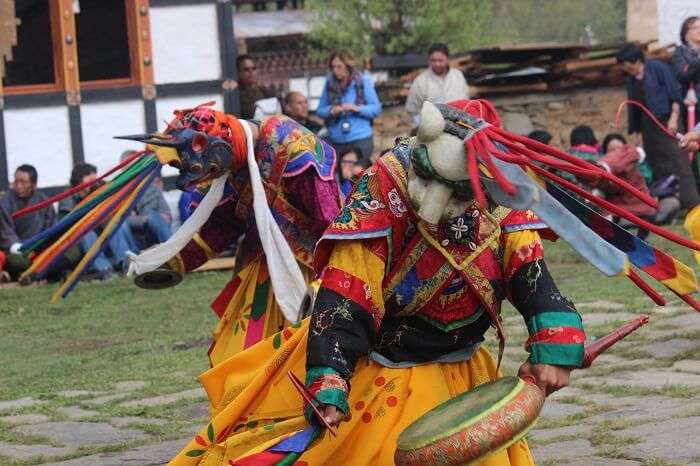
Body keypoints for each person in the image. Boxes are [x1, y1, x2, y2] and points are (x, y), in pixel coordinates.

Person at [129, 106, 342, 368]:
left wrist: (331, 280)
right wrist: (170, 260)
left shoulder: (294, 148)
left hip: (314, 267)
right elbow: (221, 226)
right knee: (240, 358)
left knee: (311, 356)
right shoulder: (232, 167)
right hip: (261, 269)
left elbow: (331, 221)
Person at [617, 42, 700, 209]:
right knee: (658, 164)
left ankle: (691, 204)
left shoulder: (658, 68)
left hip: (667, 121)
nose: (628, 68)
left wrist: (674, 118)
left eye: (629, 63)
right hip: (648, 128)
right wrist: (637, 135)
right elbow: (634, 109)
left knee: (678, 161)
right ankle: (670, 204)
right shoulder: (631, 81)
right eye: (625, 65)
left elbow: (674, 94)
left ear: (637, 59)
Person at [58, 163, 136, 278]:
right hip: (75, 238)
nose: (95, 182)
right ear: (79, 181)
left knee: (114, 224)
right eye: (91, 179)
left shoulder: (98, 192)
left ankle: (125, 263)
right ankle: (104, 269)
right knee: (87, 233)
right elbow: (70, 225)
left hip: (98, 230)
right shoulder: (67, 199)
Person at [316, 49, 382, 164]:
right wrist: (332, 110)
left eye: (339, 66)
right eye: (333, 67)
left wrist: (357, 109)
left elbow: (376, 108)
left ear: (348, 66)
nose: (335, 70)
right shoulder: (329, 83)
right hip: (336, 141)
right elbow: (320, 110)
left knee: (359, 177)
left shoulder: (363, 81)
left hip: (360, 139)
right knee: (340, 178)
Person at [0, 165, 56, 281]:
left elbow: (50, 229)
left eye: (23, 182)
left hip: (38, 248)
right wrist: (22, 249)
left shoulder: (44, 201)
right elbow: (6, 232)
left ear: (34, 185)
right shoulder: (6, 201)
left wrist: (39, 247)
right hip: (16, 251)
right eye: (16, 181)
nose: (18, 186)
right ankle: (32, 273)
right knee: (17, 262)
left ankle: (27, 274)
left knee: (61, 255)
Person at [405, 43, 470, 128]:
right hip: (432, 133)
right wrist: (422, 127)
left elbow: (467, 102)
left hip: (460, 128)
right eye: (433, 60)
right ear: (428, 60)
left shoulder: (458, 76)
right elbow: (411, 110)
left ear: (447, 59)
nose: (437, 64)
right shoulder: (421, 81)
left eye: (440, 60)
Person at [119, 152, 173, 250]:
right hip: (133, 236)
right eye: (130, 167)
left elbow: (167, 216)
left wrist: (149, 218)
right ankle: (133, 258)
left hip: (153, 233)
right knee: (121, 226)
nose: (135, 170)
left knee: (154, 217)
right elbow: (118, 219)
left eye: (137, 166)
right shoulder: (118, 193)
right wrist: (145, 219)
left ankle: (173, 251)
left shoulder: (153, 188)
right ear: (123, 169)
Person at [672, 16, 700, 129]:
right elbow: (681, 76)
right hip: (694, 106)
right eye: (695, 28)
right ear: (686, 34)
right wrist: (698, 61)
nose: (699, 30)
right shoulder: (681, 52)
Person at [237, 54, 274, 120]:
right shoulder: (236, 94)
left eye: (254, 68)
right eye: (246, 69)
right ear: (238, 73)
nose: (251, 72)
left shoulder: (264, 90)